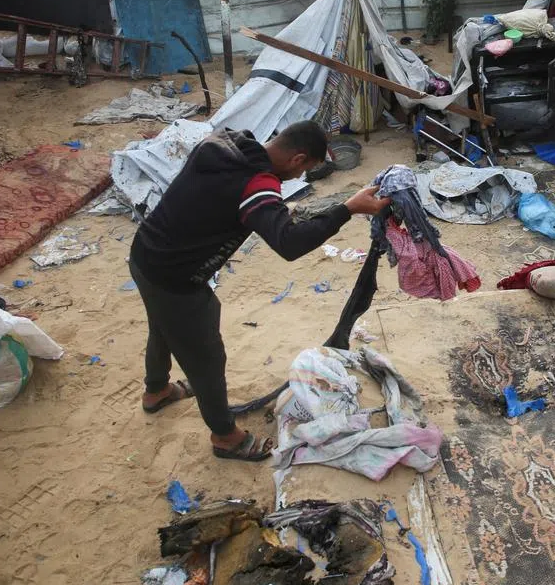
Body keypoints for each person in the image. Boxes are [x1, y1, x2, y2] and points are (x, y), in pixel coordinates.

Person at [128, 121, 389, 462]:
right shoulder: (257, 183)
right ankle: (225, 438)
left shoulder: (229, 141)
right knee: (206, 358)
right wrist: (347, 209)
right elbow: (289, 243)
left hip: (146, 253)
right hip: (175, 276)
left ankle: (157, 391)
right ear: (297, 159)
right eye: (305, 170)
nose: (298, 179)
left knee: (163, 327)